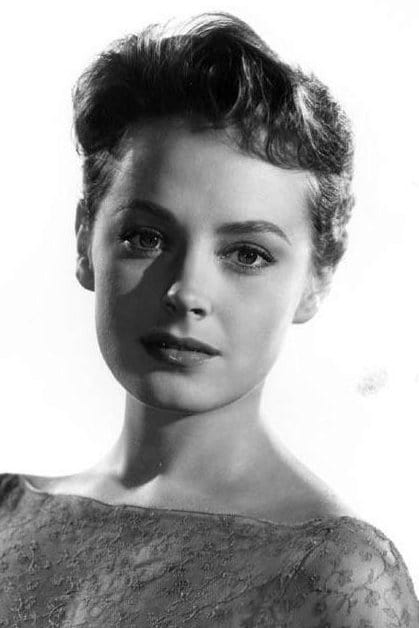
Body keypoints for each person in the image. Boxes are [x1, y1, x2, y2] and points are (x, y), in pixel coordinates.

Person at [0, 12, 418, 627]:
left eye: (247, 254)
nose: (185, 292)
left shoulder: (337, 579)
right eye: (146, 238)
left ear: (318, 277)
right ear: (86, 239)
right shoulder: (7, 515)